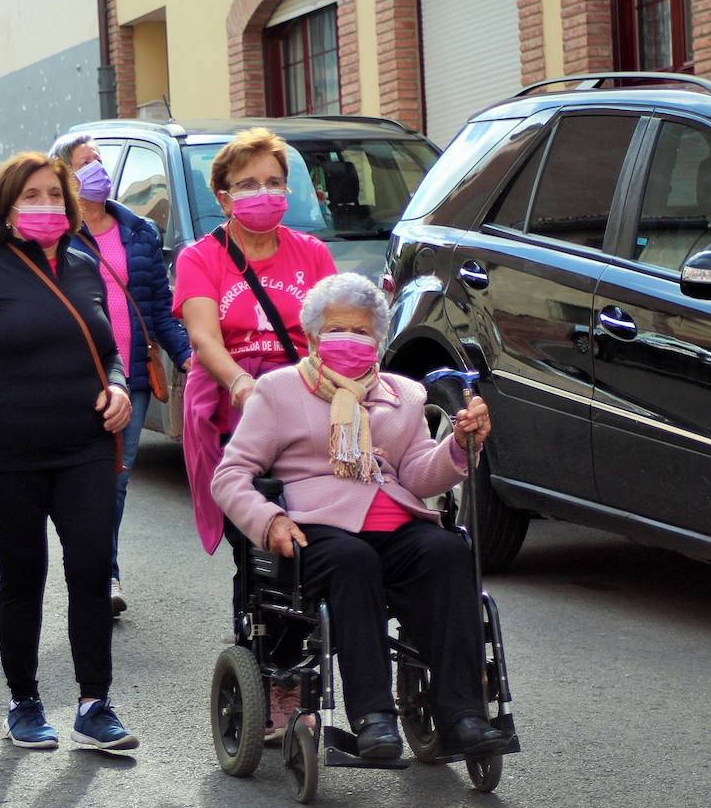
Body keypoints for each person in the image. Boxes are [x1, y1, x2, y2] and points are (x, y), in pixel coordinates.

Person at [211, 273, 509, 760]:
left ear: (378, 339)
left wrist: (457, 445)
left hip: (393, 519)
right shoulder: (278, 392)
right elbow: (231, 476)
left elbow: (415, 475)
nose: (348, 339)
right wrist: (270, 521)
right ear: (311, 337)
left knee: (450, 551)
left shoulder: (404, 395)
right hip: (317, 526)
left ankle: (464, 716)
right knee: (354, 562)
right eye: (336, 329)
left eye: (361, 331)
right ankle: (373, 717)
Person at [0, 151, 139, 752]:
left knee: (92, 568)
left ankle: (94, 702)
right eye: (31, 196)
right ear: (6, 208)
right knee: (23, 576)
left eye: (54, 194)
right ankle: (23, 700)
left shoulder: (84, 267)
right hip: (7, 452)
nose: (45, 205)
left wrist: (121, 387)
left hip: (85, 447)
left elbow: (109, 352)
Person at [172, 127, 337, 741]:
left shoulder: (312, 255)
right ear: (223, 196)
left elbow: (334, 332)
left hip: (307, 404)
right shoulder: (201, 258)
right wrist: (244, 384)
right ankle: (276, 672)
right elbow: (204, 339)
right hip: (236, 408)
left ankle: (313, 648)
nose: (263, 193)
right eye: (248, 184)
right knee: (263, 543)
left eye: (273, 182)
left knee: (325, 522)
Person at [54, 135, 193, 617]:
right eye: (85, 162)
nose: (98, 169)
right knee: (80, 482)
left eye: (99, 160)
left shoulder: (139, 232)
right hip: (72, 380)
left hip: (130, 379)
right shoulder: (58, 236)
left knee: (115, 480)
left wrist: (188, 356)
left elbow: (158, 307)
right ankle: (85, 566)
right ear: (65, 176)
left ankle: (103, 573)